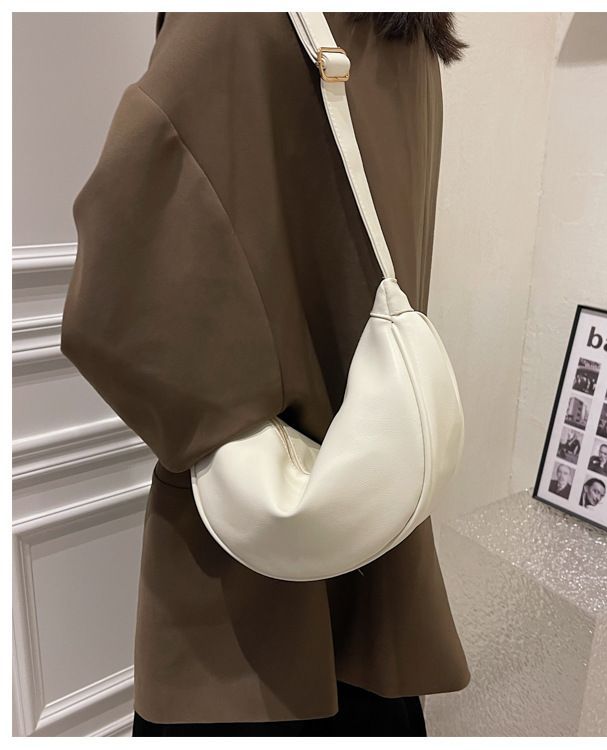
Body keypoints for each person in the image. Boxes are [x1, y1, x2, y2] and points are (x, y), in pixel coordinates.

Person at [60, 11, 470, 737]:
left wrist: (218, 413)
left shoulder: (233, 22)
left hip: (247, 593)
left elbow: (111, 302)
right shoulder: (412, 38)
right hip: (378, 535)